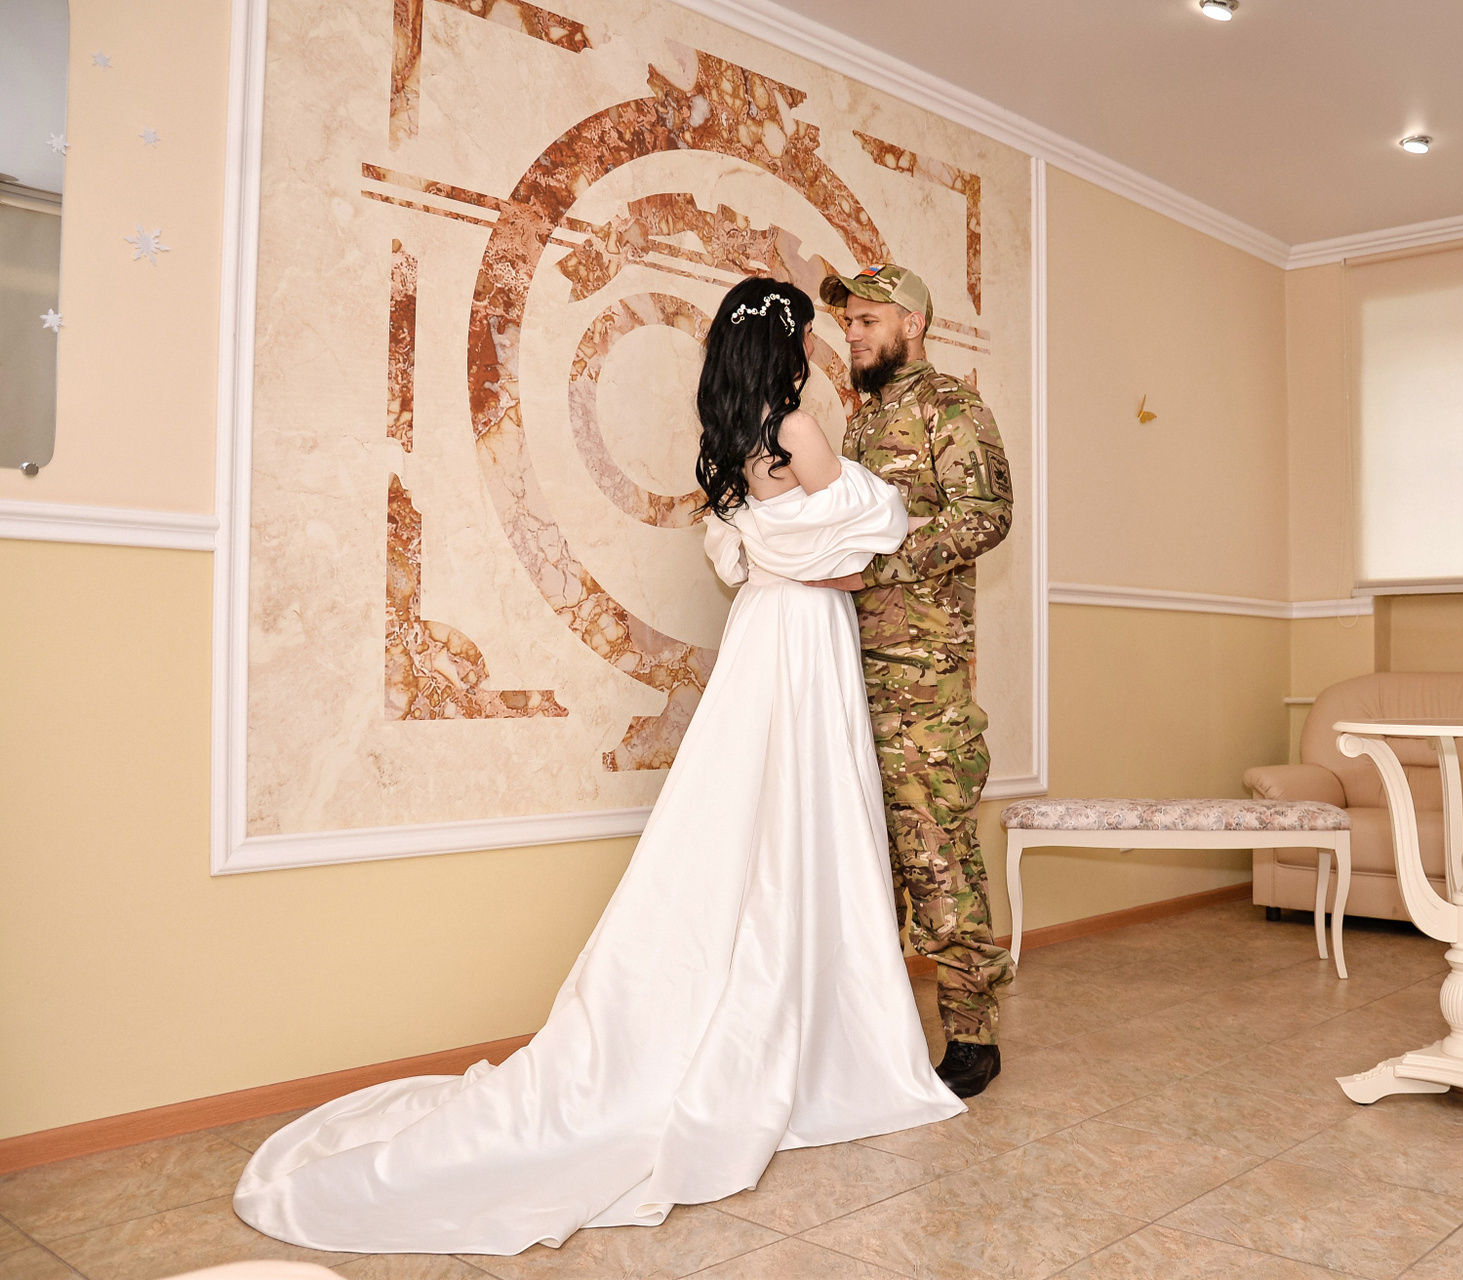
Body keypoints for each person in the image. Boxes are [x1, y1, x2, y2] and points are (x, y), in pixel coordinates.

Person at [229, 278, 963, 1255]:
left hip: (765, 633)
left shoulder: (735, 434)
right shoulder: (796, 427)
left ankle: (771, 1007)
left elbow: (763, 552)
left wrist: (799, 557)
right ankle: (833, 1041)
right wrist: (841, 550)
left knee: (753, 814)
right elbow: (866, 538)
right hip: (804, 636)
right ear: (788, 348)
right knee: (807, 815)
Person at [809, 265, 1015, 1098]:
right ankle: (877, 1031)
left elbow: (986, 516)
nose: (853, 333)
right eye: (847, 322)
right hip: (852, 675)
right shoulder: (860, 421)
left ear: (912, 324)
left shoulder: (951, 408)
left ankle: (972, 1035)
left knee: (938, 857)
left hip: (925, 683)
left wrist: (878, 569)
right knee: (868, 859)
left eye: (867, 320)